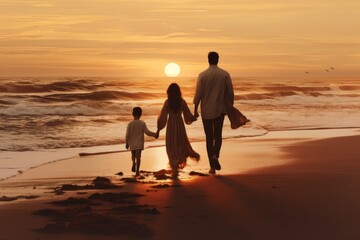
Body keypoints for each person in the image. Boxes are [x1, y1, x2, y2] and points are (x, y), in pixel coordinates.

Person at [193, 51, 234, 174]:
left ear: (208, 60)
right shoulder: (225, 74)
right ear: (218, 60)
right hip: (220, 110)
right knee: (218, 135)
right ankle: (216, 155)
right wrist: (230, 108)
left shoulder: (202, 75)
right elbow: (230, 93)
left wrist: (195, 111)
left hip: (206, 111)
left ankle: (212, 167)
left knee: (209, 138)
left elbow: (198, 95)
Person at [157, 83, 200, 178]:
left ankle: (174, 168)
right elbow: (187, 116)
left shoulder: (167, 102)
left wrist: (158, 129)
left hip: (171, 126)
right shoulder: (182, 102)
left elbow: (163, 117)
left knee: (171, 145)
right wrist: (194, 117)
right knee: (180, 144)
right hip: (180, 125)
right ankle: (178, 163)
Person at [125, 107, 158, 176]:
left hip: (132, 143)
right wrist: (154, 134)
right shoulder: (142, 123)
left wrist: (127, 143)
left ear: (132, 114)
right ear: (140, 114)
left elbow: (127, 134)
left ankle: (134, 163)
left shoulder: (130, 124)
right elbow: (147, 132)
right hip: (139, 143)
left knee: (133, 155)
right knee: (138, 157)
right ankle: (137, 171)